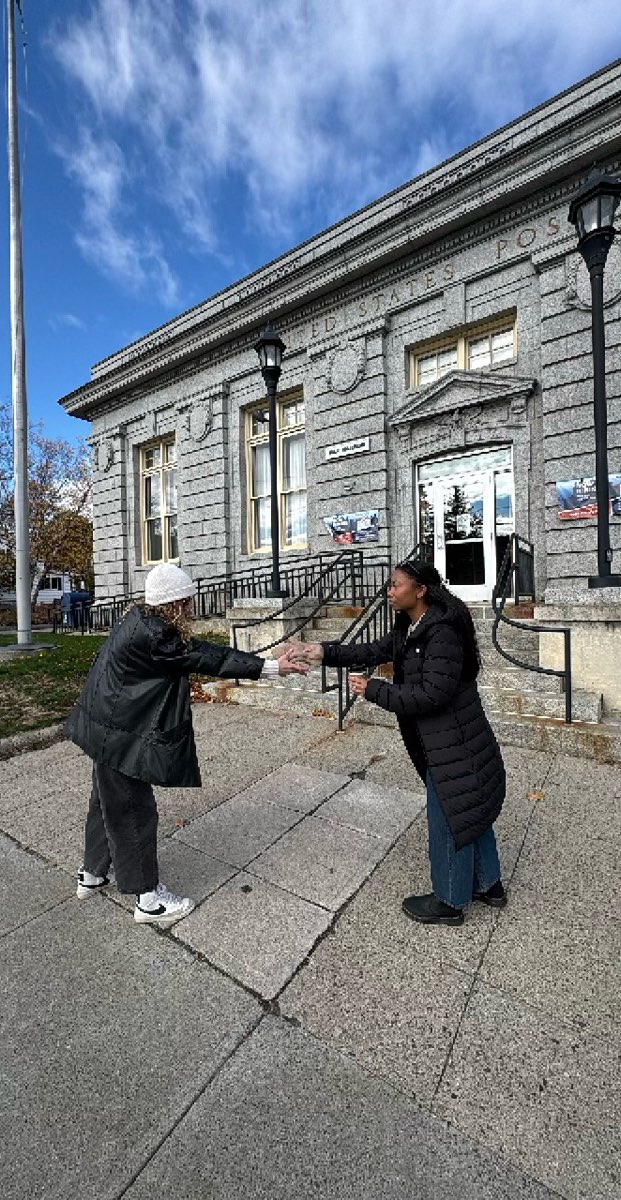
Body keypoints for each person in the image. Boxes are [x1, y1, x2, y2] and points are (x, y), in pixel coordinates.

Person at [65, 562, 306, 927]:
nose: (191, 607)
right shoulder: (158, 637)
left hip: (104, 729)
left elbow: (196, 649)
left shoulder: (138, 621)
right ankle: (148, 899)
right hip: (120, 735)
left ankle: (93, 874)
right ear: (176, 603)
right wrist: (271, 667)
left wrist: (267, 663)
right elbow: (211, 658)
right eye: (188, 601)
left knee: (106, 803)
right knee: (134, 812)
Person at [291, 560, 507, 926]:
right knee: (470, 810)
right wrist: (323, 652)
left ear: (420, 590)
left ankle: (450, 901)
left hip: (454, 742)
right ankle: (490, 885)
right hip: (449, 740)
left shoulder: (441, 633)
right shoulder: (413, 626)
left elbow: (431, 695)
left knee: (450, 817)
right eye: (390, 586)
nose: (389, 592)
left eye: (396, 585)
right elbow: (372, 651)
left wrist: (374, 689)